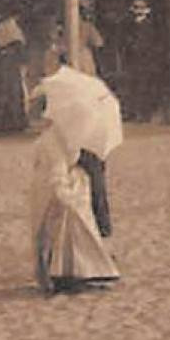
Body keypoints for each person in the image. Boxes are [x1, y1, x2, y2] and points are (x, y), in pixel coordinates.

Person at [30, 121, 119, 295]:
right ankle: (70, 271)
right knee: (71, 220)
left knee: (65, 226)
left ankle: (68, 270)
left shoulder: (59, 138)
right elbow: (57, 172)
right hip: (55, 186)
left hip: (50, 185)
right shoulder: (56, 140)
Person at [120, 0, 165, 123]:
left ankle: (145, 114)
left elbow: (155, 43)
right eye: (136, 8)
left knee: (145, 88)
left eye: (140, 8)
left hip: (147, 61)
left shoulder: (151, 25)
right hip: (132, 60)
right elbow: (124, 41)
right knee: (132, 87)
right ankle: (133, 113)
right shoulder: (129, 25)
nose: (138, 11)